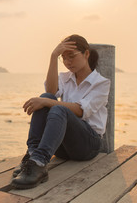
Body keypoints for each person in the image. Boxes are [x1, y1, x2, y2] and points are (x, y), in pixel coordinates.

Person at [11, 34, 111, 189]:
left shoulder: (101, 83)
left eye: (71, 56)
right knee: (46, 97)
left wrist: (46, 102)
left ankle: (39, 162)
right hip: (63, 146)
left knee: (56, 107)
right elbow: (51, 91)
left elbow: (80, 111)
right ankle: (32, 156)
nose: (67, 62)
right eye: (63, 58)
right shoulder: (65, 78)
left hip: (87, 146)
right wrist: (53, 56)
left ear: (86, 54)